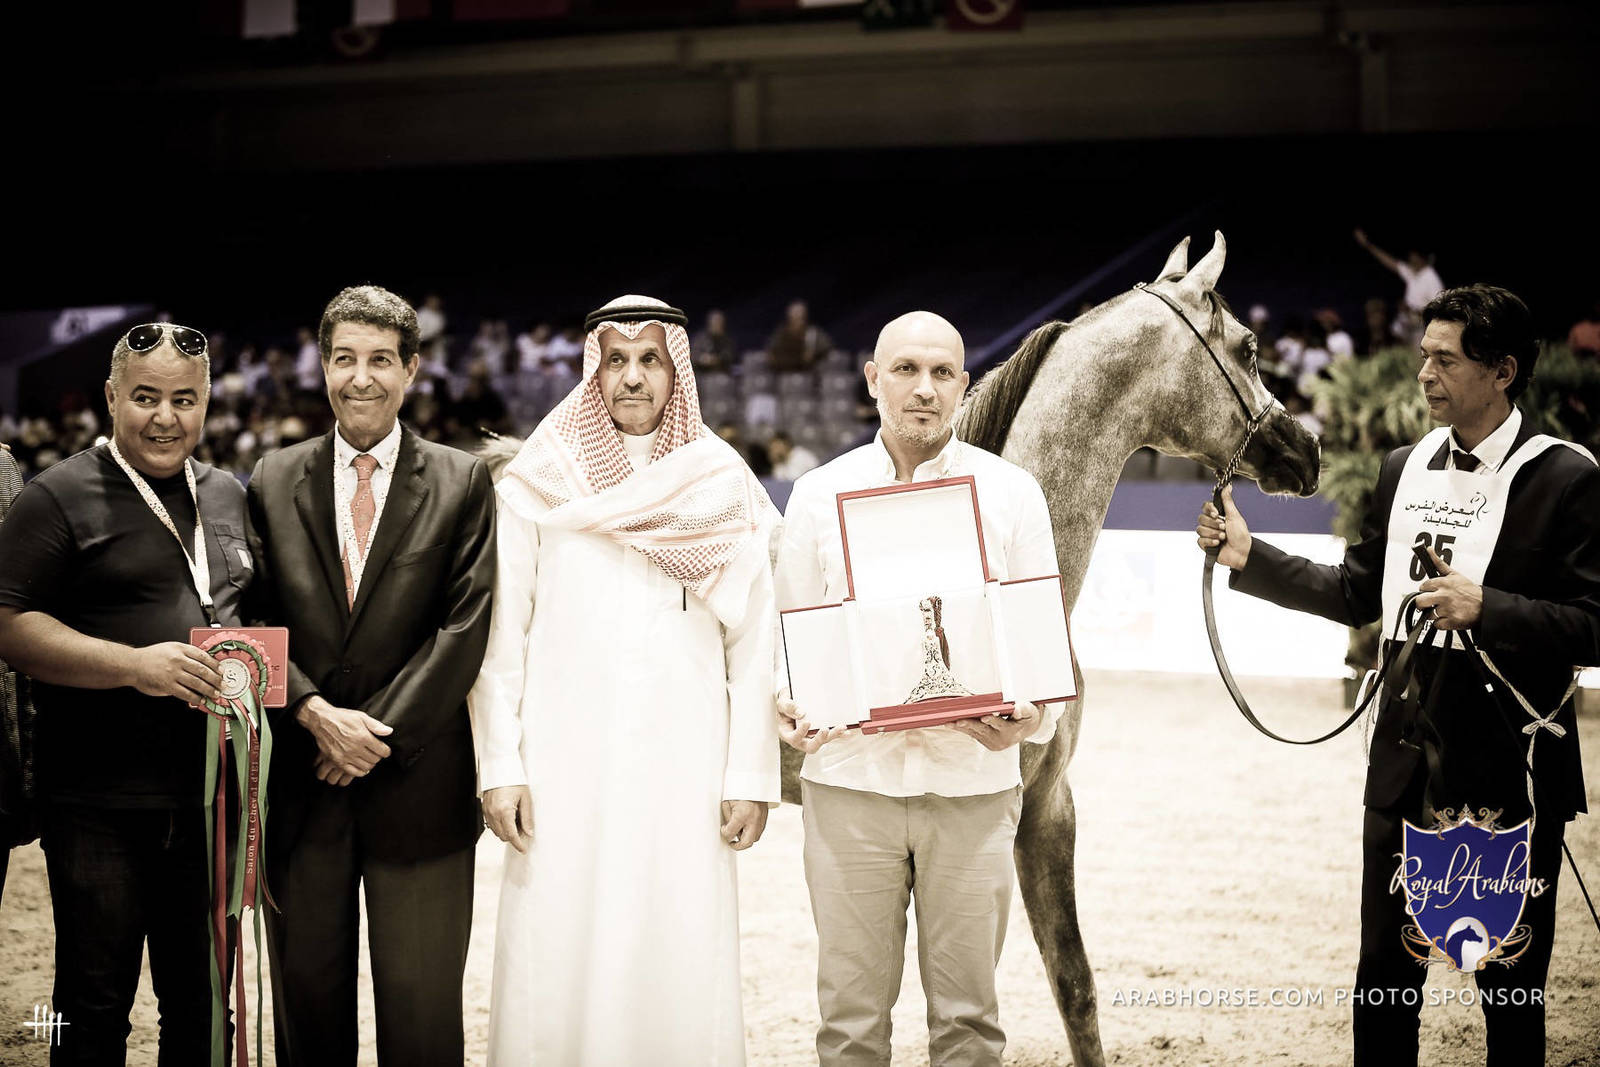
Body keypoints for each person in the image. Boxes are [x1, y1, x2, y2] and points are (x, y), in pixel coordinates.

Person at [1196, 284, 1599, 1066]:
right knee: (1382, 983)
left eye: (1446, 359)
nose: (1424, 373)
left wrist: (1491, 607)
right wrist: (1250, 556)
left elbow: (1593, 623)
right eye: (1424, 356)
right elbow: (1358, 591)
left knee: (1509, 992)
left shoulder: (1567, 478)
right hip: (1403, 769)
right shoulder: (1401, 467)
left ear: (1503, 370)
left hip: (1506, 779)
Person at [469, 295, 780, 1066]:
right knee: (557, 942)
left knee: (679, 941)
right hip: (563, 769)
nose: (632, 376)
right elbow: (501, 638)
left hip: (687, 769)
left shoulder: (721, 483)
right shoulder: (540, 482)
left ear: (677, 371)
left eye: (651, 359)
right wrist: (501, 767)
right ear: (593, 370)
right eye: (616, 359)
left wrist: (750, 775)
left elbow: (755, 647)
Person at [774, 310, 1065, 1066]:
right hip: (849, 787)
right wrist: (790, 705)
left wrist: (1028, 718)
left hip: (972, 786)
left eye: (942, 373)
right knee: (849, 1023)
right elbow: (786, 644)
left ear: (965, 387)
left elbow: (1044, 652)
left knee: (969, 1023)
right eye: (905, 369)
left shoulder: (1012, 495)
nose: (924, 389)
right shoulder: (815, 495)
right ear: (873, 380)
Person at [245, 286, 496, 1066]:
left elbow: (464, 628)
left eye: (380, 360)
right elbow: (250, 619)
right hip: (302, 785)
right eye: (345, 358)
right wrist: (317, 713)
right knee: (308, 1015)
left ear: (412, 369)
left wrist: (370, 736)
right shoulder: (268, 477)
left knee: (423, 1023)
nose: (362, 377)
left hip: (418, 785)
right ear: (322, 366)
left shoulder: (461, 481)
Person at [0, 323, 244, 1063]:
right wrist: (133, 666)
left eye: (183, 399)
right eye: (145, 398)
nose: (165, 417)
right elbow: (7, 625)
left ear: (207, 405)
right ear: (111, 397)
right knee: (91, 1005)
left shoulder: (227, 493)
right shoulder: (57, 495)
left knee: (203, 1003)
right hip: (98, 804)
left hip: (209, 802)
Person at [1355, 228, 1444, 346]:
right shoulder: (1413, 273)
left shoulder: (1431, 277)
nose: (1410, 258)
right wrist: (1368, 246)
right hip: (1406, 331)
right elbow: (1391, 263)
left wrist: (1411, 311)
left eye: (1413, 255)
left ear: (1420, 257)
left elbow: (1439, 312)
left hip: (1422, 334)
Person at [767, 299, 834, 372]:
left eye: (800, 315)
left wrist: (814, 355)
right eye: (794, 314)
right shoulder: (781, 333)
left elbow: (826, 350)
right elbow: (772, 354)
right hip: (783, 372)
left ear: (805, 316)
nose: (797, 317)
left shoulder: (813, 333)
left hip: (809, 373)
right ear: (789, 315)